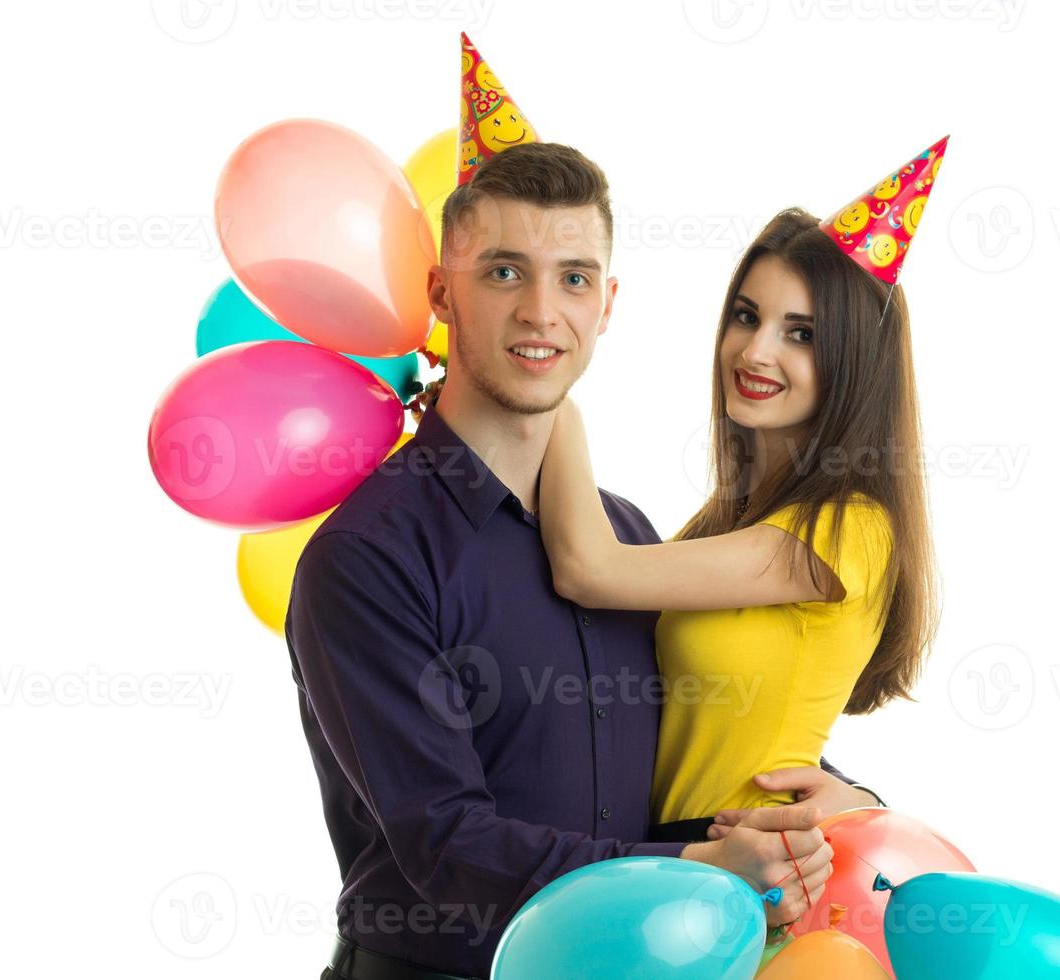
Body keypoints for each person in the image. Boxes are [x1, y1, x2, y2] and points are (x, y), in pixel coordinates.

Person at [286, 143, 879, 980]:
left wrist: (844, 803)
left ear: (606, 304)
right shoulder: (370, 557)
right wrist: (691, 871)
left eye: (572, 277)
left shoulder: (628, 538)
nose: (540, 311)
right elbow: (447, 844)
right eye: (502, 272)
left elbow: (711, 733)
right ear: (440, 294)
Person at [538, 206, 939, 960]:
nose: (755, 350)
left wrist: (544, 390)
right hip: (675, 873)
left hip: (752, 889)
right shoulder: (728, 521)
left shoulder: (848, 529)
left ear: (856, 362)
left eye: (802, 333)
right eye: (747, 317)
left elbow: (590, 569)